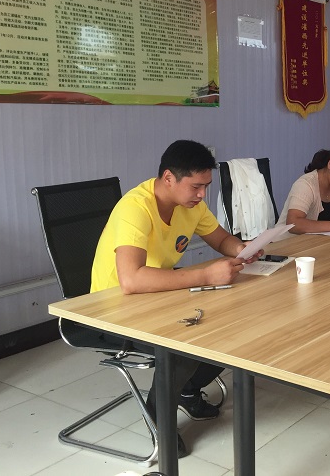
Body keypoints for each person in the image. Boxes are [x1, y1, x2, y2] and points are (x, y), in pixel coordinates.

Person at [91, 140, 261, 455]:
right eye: (196, 186)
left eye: (206, 186)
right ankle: (160, 417)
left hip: (157, 297)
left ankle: (186, 390)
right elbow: (131, 280)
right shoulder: (136, 207)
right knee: (185, 344)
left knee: (233, 320)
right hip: (111, 309)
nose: (202, 194)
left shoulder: (190, 205)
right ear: (169, 178)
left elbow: (220, 238)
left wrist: (242, 249)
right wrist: (206, 276)